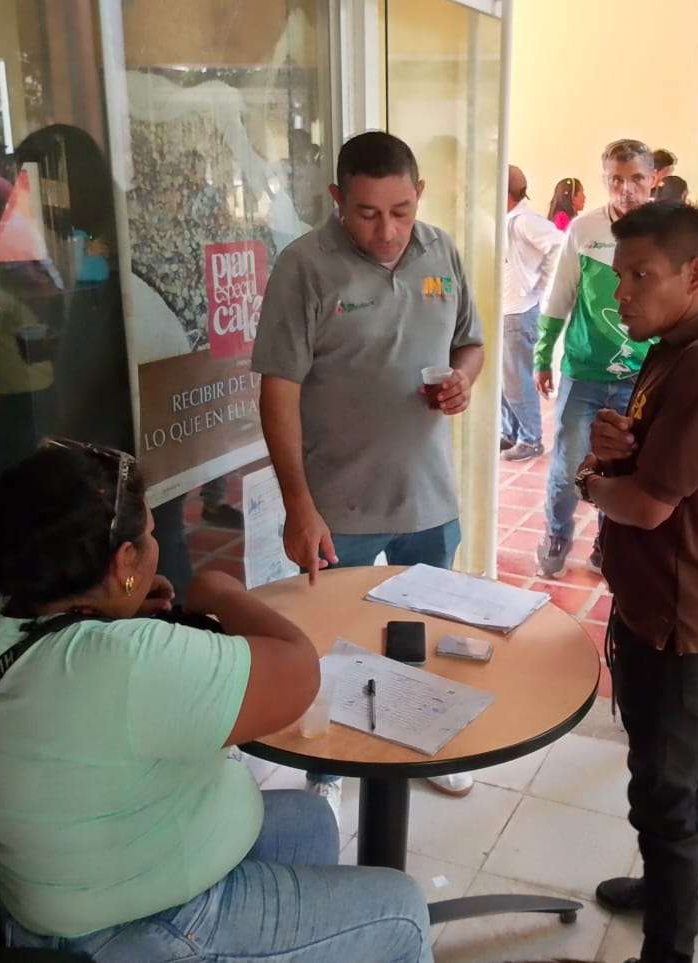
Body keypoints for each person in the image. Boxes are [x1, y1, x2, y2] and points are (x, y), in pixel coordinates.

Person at [0, 443, 433, 962]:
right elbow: (298, 673)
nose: (153, 545)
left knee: (310, 823)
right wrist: (222, 592)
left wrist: (113, 612)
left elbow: (70, 696)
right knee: (404, 913)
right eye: (147, 535)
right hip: (139, 929)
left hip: (67, 893)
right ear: (125, 561)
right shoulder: (125, 663)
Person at [253, 131, 484, 805]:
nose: (387, 231)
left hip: (428, 496)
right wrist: (299, 504)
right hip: (337, 504)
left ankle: (432, 744)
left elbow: (468, 341)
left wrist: (464, 382)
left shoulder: (440, 251)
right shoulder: (305, 267)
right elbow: (279, 392)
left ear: (420, 198)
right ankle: (328, 770)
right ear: (336, 200)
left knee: (432, 635)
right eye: (367, 213)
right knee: (335, 643)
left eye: (402, 211)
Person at [576, 201, 698, 963]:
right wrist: (616, 449)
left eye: (640, 275)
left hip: (681, 615)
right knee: (681, 774)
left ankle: (669, 945)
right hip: (663, 600)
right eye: (618, 275)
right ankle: (677, 893)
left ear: (695, 274)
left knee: (663, 792)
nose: (622, 292)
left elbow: (651, 507)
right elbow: (653, 468)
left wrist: (590, 483)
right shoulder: (676, 342)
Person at [533, 139, 654, 578]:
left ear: (653, 179)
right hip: (583, 373)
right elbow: (560, 293)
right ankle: (557, 533)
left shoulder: (663, 233)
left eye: (637, 178)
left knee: (622, 469)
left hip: (641, 376)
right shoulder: (584, 230)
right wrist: (543, 353)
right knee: (568, 468)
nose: (626, 189)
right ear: (604, 180)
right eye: (616, 180)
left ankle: (608, 541)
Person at [501, 164, 563, 461]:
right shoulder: (510, 218)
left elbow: (559, 247)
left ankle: (530, 439)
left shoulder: (524, 220)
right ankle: (509, 432)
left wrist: (538, 284)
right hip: (508, 311)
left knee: (518, 380)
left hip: (518, 312)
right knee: (506, 379)